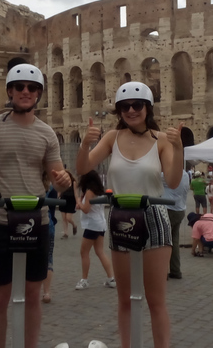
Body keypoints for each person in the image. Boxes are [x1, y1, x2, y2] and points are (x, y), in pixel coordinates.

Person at [0, 63, 70, 348]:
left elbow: (57, 179)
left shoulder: (47, 133)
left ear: (38, 94)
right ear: (9, 91)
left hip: (38, 220)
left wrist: (64, 181)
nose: (25, 91)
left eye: (32, 88)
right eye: (19, 87)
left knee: (34, 295)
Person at [76, 81, 184, 348]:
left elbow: (171, 180)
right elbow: (83, 167)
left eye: (137, 105)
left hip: (153, 217)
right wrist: (84, 144)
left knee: (155, 300)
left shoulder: (160, 141)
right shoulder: (112, 137)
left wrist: (179, 149)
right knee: (124, 299)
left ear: (148, 108)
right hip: (121, 219)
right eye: (125, 106)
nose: (131, 110)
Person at [75, 170, 116, 290]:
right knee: (100, 252)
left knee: (84, 252)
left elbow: (86, 209)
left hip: (92, 224)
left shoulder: (89, 192)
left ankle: (84, 279)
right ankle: (111, 278)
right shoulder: (99, 191)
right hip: (100, 223)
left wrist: (78, 201)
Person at [162, 168, 189, 277]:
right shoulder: (185, 174)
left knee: (163, 242)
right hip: (180, 209)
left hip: (167, 209)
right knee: (174, 242)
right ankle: (175, 270)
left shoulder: (165, 174)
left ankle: (162, 271)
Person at [41, 173, 58, 304]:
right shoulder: (52, 189)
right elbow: (52, 209)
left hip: (31, 223)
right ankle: (46, 292)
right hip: (49, 224)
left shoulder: (31, 187)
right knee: (49, 258)